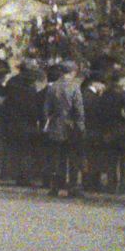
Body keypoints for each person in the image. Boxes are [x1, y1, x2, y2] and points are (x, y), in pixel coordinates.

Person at [86, 64, 125, 193]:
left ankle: (111, 185)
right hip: (123, 130)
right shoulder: (122, 94)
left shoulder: (104, 95)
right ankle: (124, 186)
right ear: (120, 81)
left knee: (111, 159)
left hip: (109, 130)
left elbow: (100, 113)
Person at [42, 60, 86, 196]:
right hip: (70, 126)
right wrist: (81, 126)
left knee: (57, 157)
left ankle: (55, 186)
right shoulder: (74, 87)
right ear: (73, 72)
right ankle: (72, 186)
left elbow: (46, 109)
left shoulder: (53, 87)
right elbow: (79, 109)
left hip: (56, 125)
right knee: (72, 158)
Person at [3, 61, 46, 185]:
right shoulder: (31, 83)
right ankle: (25, 177)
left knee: (16, 149)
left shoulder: (11, 82)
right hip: (28, 121)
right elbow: (32, 105)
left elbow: (7, 102)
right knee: (27, 150)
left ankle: (14, 175)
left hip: (12, 121)